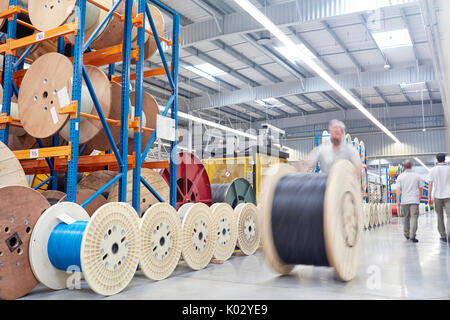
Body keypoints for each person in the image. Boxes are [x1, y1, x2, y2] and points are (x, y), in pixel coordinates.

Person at [396, 160, 425, 243]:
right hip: (414, 200)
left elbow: (398, 190)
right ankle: (413, 235)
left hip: (404, 200)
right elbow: (421, 188)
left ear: (404, 167)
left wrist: (398, 200)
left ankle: (407, 234)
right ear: (411, 166)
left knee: (406, 218)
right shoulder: (417, 176)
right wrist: (419, 197)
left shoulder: (400, 177)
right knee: (414, 217)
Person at [428, 153, 450, 242]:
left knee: (439, 216)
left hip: (437, 196)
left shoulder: (433, 170)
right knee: (449, 216)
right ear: (444, 159)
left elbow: (430, 184)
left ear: (437, 160)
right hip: (449, 196)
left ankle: (443, 236)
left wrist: (428, 197)